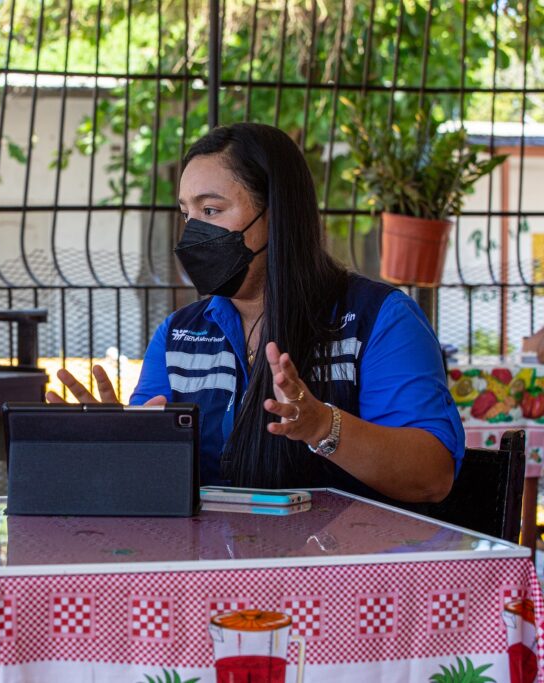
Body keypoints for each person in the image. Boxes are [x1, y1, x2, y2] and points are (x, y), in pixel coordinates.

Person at [48, 123, 463, 504]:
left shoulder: (379, 321)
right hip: (210, 575)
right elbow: (156, 483)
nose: (193, 232)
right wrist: (113, 446)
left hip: (341, 574)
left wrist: (323, 427)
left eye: (211, 211)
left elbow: (431, 476)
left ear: (277, 216)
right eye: (186, 214)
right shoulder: (179, 336)